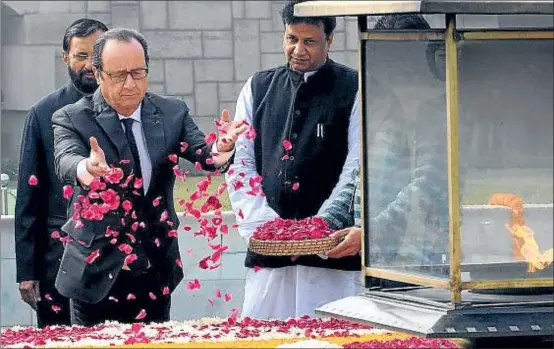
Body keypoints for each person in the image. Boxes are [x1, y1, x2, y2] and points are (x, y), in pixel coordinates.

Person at [51, 27, 247, 326]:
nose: (130, 84)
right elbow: (66, 159)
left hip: (155, 265)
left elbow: (203, 153)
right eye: (119, 75)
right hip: (95, 271)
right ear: (99, 74)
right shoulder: (72, 117)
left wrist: (221, 147)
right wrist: (86, 168)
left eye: (138, 73)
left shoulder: (171, 111)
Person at [226, 0, 362, 319]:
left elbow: (357, 167)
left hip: (334, 256)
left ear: (330, 40)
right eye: (291, 39)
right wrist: (265, 226)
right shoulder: (258, 87)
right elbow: (240, 164)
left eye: (309, 41)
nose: (298, 50)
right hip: (269, 258)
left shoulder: (354, 87)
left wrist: (322, 228)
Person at [323, 14, 462, 278]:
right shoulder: (386, 108)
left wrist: (371, 233)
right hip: (381, 259)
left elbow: (429, 185)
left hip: (423, 264)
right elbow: (359, 179)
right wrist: (323, 223)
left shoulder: (436, 110)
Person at [14, 18, 108, 328]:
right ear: (65, 57)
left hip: (119, 261)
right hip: (57, 259)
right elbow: (29, 197)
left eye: (96, 55)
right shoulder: (43, 113)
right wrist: (26, 271)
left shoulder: (129, 108)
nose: (89, 65)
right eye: (81, 55)